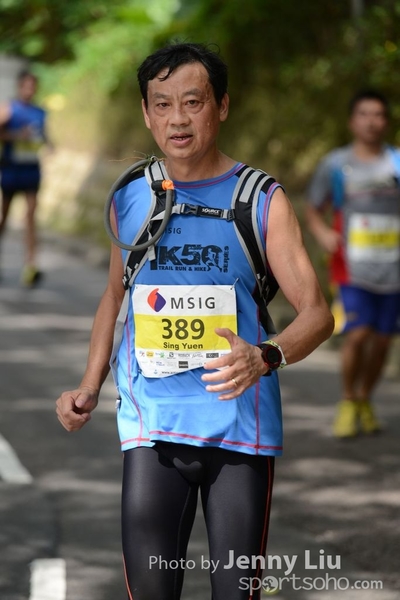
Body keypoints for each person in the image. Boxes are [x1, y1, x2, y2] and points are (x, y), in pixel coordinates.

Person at [56, 43, 334, 600]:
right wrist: (89, 385)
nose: (177, 119)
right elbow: (115, 296)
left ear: (222, 106)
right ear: (146, 113)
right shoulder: (131, 196)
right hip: (152, 423)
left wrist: (266, 356)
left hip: (240, 430)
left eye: (193, 102)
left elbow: (318, 314)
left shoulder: (260, 199)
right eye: (162, 104)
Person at [306, 89, 400, 439]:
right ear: (352, 121)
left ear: (386, 122)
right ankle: (347, 401)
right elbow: (313, 208)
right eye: (364, 114)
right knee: (358, 334)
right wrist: (323, 234)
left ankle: (364, 398)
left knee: (383, 341)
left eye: (378, 115)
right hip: (351, 268)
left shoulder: (397, 162)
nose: (371, 121)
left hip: (393, 268)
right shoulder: (335, 164)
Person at [0, 70, 50, 286]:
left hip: (31, 170)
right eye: (26, 86)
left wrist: (50, 145)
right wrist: (16, 135)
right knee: (4, 217)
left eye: (33, 87)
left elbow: (43, 135)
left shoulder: (40, 112)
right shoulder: (8, 109)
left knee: (31, 216)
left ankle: (31, 266)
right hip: (11, 170)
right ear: (19, 87)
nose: (30, 90)